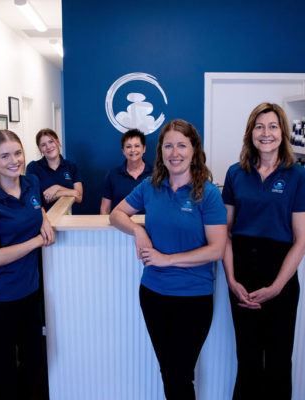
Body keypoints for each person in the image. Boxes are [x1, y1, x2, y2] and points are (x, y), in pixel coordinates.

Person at [110, 119, 227, 400]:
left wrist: (167, 260)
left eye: (182, 146)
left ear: (194, 151)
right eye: (168, 146)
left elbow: (217, 249)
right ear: (160, 151)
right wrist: (137, 230)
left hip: (193, 299)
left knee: (179, 374)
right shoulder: (150, 186)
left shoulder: (208, 194)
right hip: (153, 295)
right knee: (170, 372)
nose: (175, 153)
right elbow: (116, 214)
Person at [221, 103, 305, 399]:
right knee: (247, 360)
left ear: (283, 132)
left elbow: (301, 239)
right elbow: (225, 233)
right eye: (259, 127)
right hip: (242, 277)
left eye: (273, 126)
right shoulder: (235, 174)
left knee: (278, 362)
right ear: (250, 133)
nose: (266, 133)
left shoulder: (298, 175)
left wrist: (276, 287)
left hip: (280, 277)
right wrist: (232, 281)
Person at [0, 130, 55, 399]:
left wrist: (44, 220)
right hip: (0, 300)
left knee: (34, 365)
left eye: (18, 153)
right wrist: (37, 241)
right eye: (5, 156)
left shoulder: (31, 182)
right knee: (4, 373)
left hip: (30, 294)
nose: (14, 160)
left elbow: (37, 209)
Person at [26, 129, 83, 211]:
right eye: (43, 145)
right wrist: (63, 193)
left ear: (57, 142)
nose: (48, 147)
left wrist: (57, 188)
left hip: (66, 217)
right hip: (42, 217)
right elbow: (35, 201)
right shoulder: (33, 167)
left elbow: (79, 197)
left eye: (51, 141)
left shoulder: (71, 166)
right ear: (40, 149)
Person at [100, 128, 153, 214]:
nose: (133, 150)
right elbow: (105, 210)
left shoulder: (156, 174)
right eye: (128, 147)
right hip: (119, 222)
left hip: (149, 222)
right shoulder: (112, 175)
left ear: (144, 149)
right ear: (123, 151)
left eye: (137, 146)